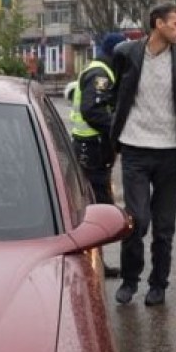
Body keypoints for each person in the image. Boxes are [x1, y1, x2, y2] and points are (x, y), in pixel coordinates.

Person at [110, 4, 176, 307]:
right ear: (158, 24)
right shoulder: (126, 53)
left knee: (164, 227)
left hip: (170, 152)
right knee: (137, 221)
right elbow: (117, 94)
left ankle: (159, 285)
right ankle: (129, 280)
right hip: (135, 148)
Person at [70, 32, 125, 279]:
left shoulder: (101, 70)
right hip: (90, 149)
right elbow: (92, 110)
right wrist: (119, 127)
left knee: (95, 205)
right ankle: (91, 264)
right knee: (97, 208)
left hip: (93, 148)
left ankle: (96, 263)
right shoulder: (100, 74)